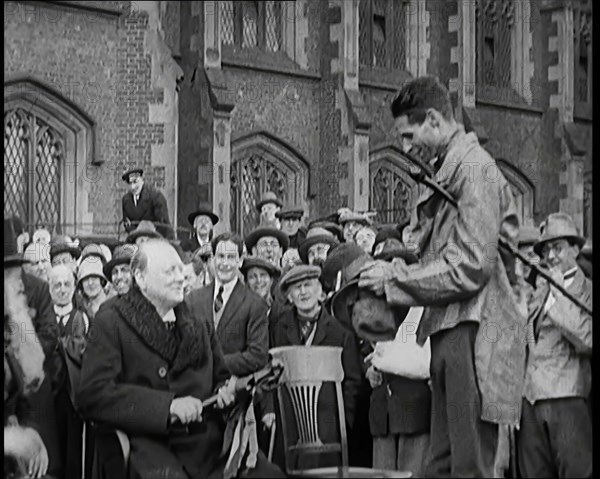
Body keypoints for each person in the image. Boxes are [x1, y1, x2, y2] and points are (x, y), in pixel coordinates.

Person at [357, 76, 525, 477]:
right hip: (451, 327)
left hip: (475, 330)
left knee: (469, 466)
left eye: (408, 134)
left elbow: (471, 265)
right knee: (442, 467)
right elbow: (445, 256)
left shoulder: (476, 170)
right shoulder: (451, 170)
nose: (405, 146)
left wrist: (394, 280)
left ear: (433, 119)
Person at [77, 238, 281, 478]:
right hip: (149, 446)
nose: (180, 277)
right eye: (169, 271)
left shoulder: (196, 320)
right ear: (140, 278)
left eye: (179, 269)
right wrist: (168, 407)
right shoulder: (111, 321)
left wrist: (225, 391)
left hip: (208, 445)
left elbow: (220, 376)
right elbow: (93, 395)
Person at [517, 212, 592, 478]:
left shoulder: (588, 291)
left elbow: (586, 338)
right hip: (531, 402)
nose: (550, 257)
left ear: (575, 249)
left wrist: (558, 295)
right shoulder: (539, 292)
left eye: (557, 248)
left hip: (567, 400)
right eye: (546, 250)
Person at [266, 265, 362, 470]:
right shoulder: (279, 328)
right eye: (296, 288)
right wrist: (271, 411)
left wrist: (342, 422)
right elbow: (269, 374)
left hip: (328, 425)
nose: (303, 292)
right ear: (289, 297)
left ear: (320, 292)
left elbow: (352, 383)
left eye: (308, 285)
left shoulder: (340, 333)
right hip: (289, 421)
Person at [186, 233, 270, 378]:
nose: (224, 263)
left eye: (230, 257)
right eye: (220, 256)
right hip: (196, 390)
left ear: (240, 261)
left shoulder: (255, 304)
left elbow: (258, 356)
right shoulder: (193, 300)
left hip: (235, 392)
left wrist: (214, 363)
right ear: (213, 259)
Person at [5, 220, 49, 479]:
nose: (21, 285)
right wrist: (9, 439)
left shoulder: (13, 329)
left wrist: (30, 431)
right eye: (10, 278)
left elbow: (23, 399)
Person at [48, 264, 89, 479]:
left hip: (72, 394)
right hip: (49, 395)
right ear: (49, 289)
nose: (62, 290)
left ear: (74, 288)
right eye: (57, 285)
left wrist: (58, 344)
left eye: (66, 284)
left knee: (73, 452)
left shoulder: (81, 318)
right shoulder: (43, 318)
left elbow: (83, 350)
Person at [121, 167, 174, 240]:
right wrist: (138, 235)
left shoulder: (156, 196)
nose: (133, 187)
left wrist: (147, 236)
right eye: (129, 183)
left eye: (135, 182)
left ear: (142, 180)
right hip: (137, 239)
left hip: (160, 238)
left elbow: (162, 224)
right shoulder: (126, 200)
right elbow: (127, 224)